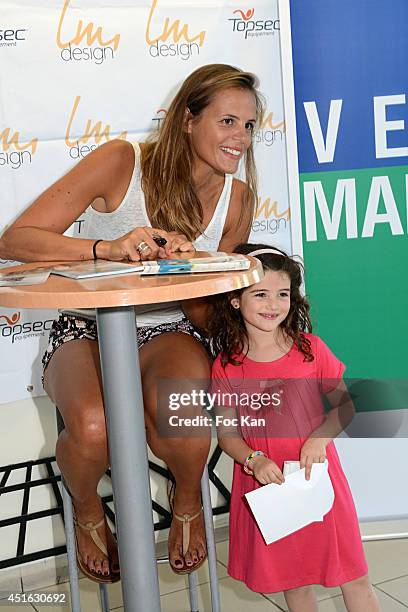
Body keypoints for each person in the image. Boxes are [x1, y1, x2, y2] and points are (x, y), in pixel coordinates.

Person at [0, 64, 264, 581]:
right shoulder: (122, 160)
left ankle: (187, 497)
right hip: (86, 326)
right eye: (228, 121)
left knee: (186, 424)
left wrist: (188, 273)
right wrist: (107, 249)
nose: (241, 139)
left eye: (250, 126)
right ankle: (88, 509)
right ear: (187, 119)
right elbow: (15, 241)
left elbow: (210, 318)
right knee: (94, 426)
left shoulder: (238, 201)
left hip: (171, 329)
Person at [208, 244, 380, 611]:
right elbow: (227, 434)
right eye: (261, 294)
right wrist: (253, 459)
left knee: (353, 575)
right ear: (236, 300)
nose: (273, 304)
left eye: (282, 294)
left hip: (317, 478)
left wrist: (319, 439)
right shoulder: (227, 365)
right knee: (294, 581)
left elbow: (344, 407)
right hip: (270, 486)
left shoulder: (310, 350)